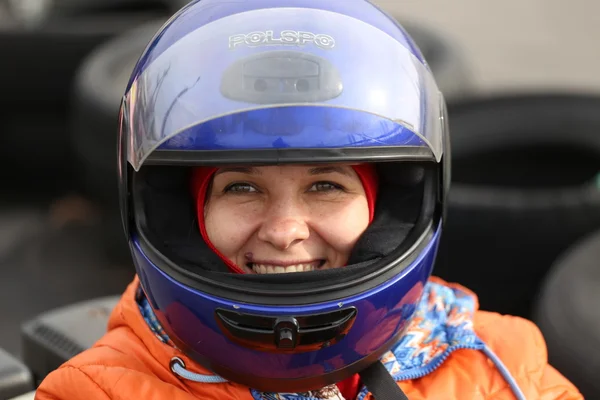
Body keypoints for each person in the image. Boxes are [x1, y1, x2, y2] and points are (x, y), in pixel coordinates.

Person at [36, 1, 582, 399]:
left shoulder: (502, 363)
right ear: (184, 213)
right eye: (242, 188)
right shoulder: (95, 391)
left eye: (326, 186)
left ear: (387, 208)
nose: (284, 230)